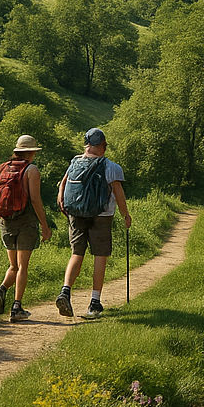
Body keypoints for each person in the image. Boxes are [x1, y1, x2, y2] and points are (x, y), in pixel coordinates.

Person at [55, 128, 131, 319]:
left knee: (76, 253)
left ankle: (65, 291)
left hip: (76, 213)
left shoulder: (74, 162)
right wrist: (126, 215)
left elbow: (62, 185)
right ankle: (94, 303)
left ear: (87, 144)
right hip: (102, 215)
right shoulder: (110, 167)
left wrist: (63, 204)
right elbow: (119, 194)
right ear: (103, 145)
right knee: (100, 256)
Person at [0, 135, 52, 323]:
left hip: (6, 221)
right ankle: (17, 307)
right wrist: (44, 225)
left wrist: (3, 215)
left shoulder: (2, 168)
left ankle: (1, 289)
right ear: (31, 152)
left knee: (13, 266)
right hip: (26, 222)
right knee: (23, 266)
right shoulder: (31, 170)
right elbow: (35, 199)